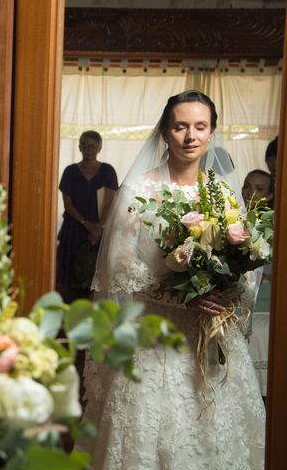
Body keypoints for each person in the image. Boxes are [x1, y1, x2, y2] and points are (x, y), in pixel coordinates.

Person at [80, 91, 265, 469]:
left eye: (200, 127)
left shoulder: (224, 193)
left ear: (212, 133)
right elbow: (119, 268)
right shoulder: (139, 190)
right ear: (165, 132)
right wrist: (182, 296)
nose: (190, 136)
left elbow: (247, 260)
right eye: (180, 126)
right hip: (157, 332)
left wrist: (226, 292)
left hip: (212, 333)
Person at [56, 130, 118, 302]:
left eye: (93, 145)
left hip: (100, 231)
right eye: (85, 145)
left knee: (96, 281)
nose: (89, 149)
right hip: (74, 229)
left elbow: (110, 202)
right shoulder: (70, 171)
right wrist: (87, 224)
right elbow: (68, 204)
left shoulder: (107, 170)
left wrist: (98, 228)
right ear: (80, 147)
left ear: (99, 147)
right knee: (69, 281)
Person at [242, 169, 274, 400]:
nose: (250, 192)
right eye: (247, 185)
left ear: (270, 196)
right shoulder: (231, 217)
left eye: (259, 189)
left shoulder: (273, 225)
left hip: (264, 306)